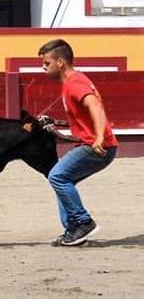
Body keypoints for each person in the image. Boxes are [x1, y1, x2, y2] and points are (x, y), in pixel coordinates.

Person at [38, 39, 118, 246]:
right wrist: (57, 123)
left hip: (98, 146)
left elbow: (96, 107)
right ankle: (73, 231)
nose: (43, 68)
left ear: (61, 62)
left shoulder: (75, 83)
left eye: (47, 63)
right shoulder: (71, 83)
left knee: (57, 176)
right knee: (62, 180)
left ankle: (83, 222)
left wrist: (99, 136)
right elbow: (83, 117)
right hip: (96, 144)